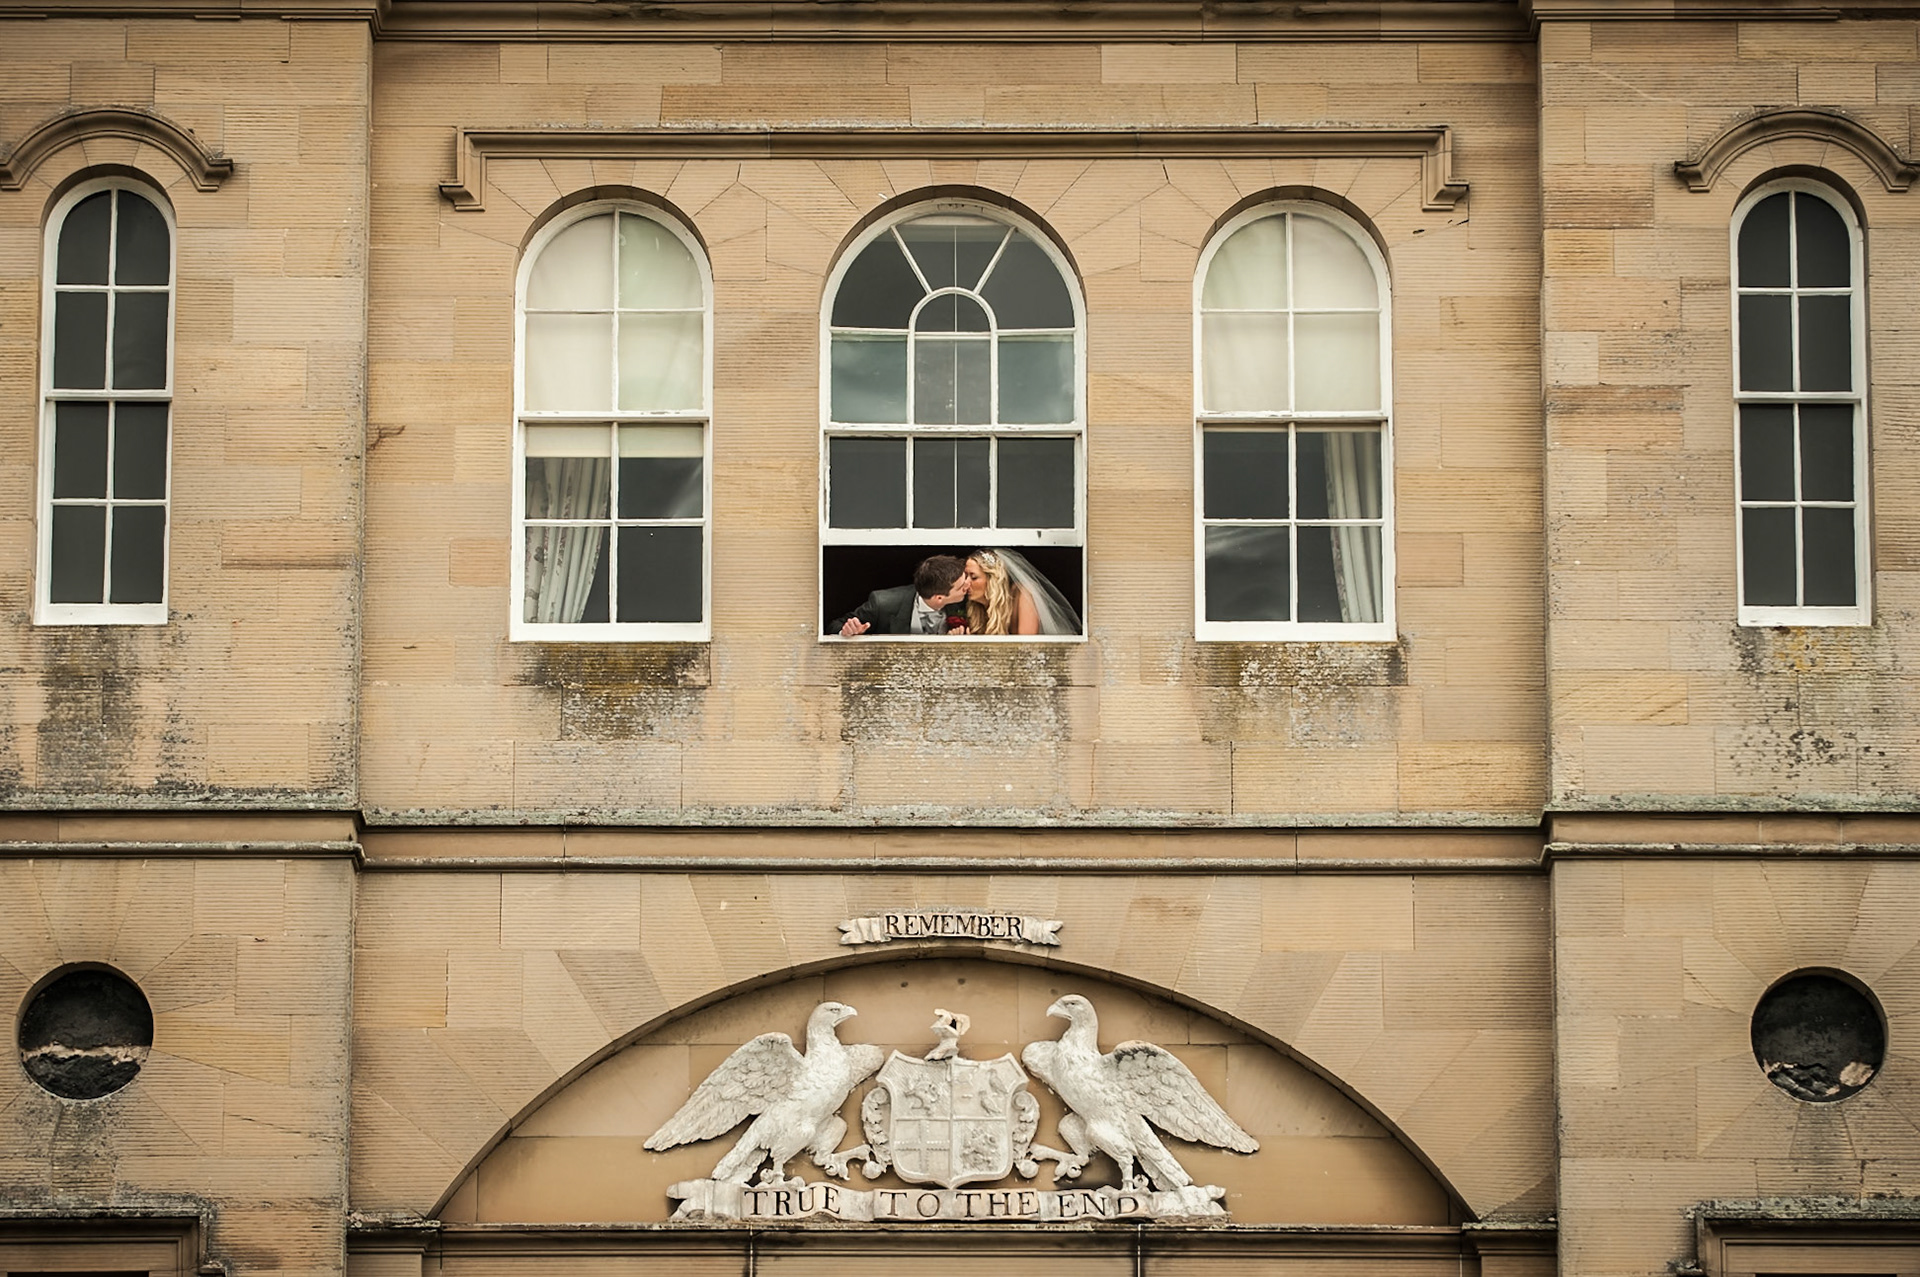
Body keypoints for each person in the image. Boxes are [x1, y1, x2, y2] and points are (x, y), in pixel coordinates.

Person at [830, 555, 968, 637]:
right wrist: (846, 631)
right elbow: (834, 626)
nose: (967, 586)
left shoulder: (967, 602)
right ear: (939, 598)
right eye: (961, 587)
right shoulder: (882, 603)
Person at [961, 549, 1083, 636]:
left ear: (993, 580)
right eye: (966, 576)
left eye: (973, 577)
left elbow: (1026, 650)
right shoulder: (979, 610)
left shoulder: (1022, 594)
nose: (966, 583)